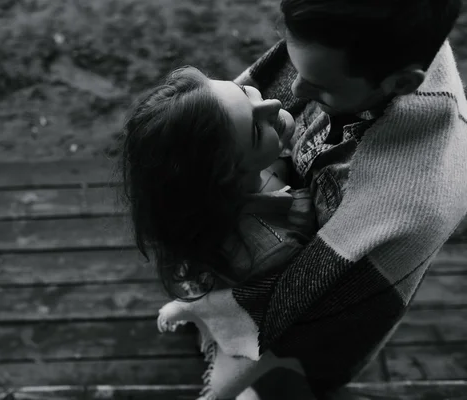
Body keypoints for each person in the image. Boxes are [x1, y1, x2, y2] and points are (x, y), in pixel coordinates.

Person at [227, 0, 467, 398]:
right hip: (286, 218)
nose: (294, 91)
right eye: (291, 60)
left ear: (402, 83)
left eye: (320, 86)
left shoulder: (415, 205)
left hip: (307, 330)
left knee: (292, 374)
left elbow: (337, 312)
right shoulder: (350, 39)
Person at [119, 66, 319, 399]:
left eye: (244, 91)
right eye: (256, 130)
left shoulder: (205, 195)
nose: (270, 103)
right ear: (228, 176)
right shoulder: (273, 247)